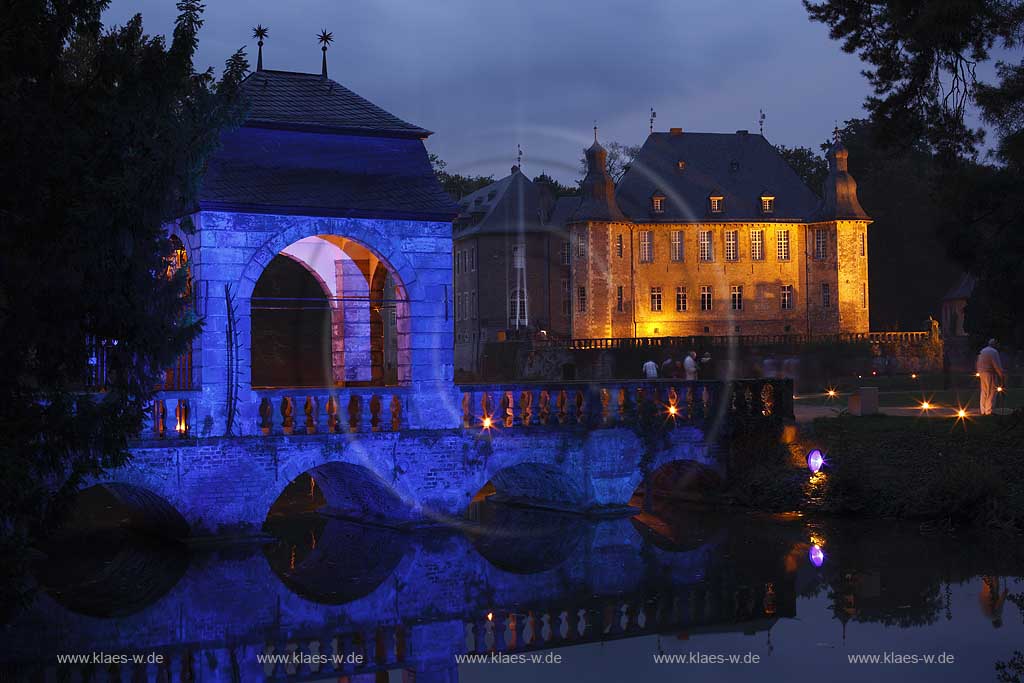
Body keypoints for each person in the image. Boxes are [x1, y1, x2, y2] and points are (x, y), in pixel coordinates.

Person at [976, 338, 1005, 415]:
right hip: (990, 373)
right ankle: (989, 410)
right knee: (991, 392)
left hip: (982, 373)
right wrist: (1001, 375)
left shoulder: (983, 351)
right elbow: (996, 365)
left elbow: (978, 362)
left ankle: (983, 410)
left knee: (984, 391)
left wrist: (979, 371)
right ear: (995, 344)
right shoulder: (994, 352)